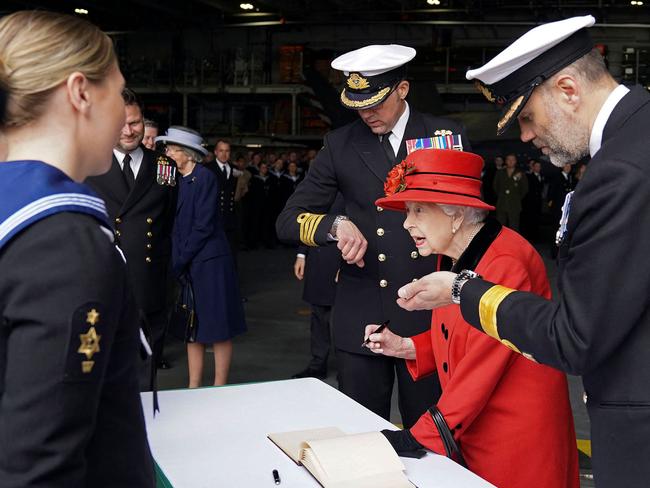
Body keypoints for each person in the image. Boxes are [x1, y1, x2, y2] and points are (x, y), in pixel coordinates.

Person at [397, 15, 650, 487]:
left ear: (568, 89)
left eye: (528, 117)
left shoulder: (620, 171)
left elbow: (575, 338)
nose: (527, 137)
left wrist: (462, 289)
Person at [276, 44, 470, 428]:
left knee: (429, 436)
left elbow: (470, 224)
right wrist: (334, 226)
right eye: (358, 104)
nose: (366, 113)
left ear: (402, 89)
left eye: (376, 102)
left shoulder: (443, 136)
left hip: (427, 313)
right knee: (363, 434)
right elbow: (288, 220)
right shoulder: (340, 144)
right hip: (362, 309)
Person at [0, 10, 154, 486]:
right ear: (81, 92)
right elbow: (40, 465)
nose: (121, 117)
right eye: (117, 90)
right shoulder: (64, 242)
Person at [364, 148, 578, 488]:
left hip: (512, 438)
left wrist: (423, 434)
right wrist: (408, 347)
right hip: (478, 426)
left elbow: (483, 364)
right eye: (408, 211)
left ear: (456, 215)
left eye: (418, 210)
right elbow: (462, 337)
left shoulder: (504, 261)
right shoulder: (456, 253)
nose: (406, 222)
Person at [86, 88, 177, 378]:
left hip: (149, 282)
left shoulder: (164, 167)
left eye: (135, 123)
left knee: (144, 373)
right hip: (101, 283)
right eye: (121, 123)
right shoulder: (88, 164)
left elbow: (169, 224)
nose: (128, 131)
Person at [156, 126, 246, 388]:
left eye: (172, 149)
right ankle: (193, 386)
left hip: (210, 263)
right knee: (192, 327)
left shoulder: (205, 177)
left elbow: (203, 226)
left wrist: (179, 259)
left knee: (218, 326)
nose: (168, 153)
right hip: (189, 261)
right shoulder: (176, 180)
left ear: (187, 154)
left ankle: (219, 386)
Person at [493, 153, 528, 231]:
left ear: (515, 161)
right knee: (500, 227)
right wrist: (502, 195)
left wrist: (516, 197)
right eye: (509, 160)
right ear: (505, 161)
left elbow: (524, 189)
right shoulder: (500, 172)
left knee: (514, 227)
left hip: (515, 204)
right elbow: (495, 187)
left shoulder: (520, 174)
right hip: (501, 203)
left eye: (513, 160)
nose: (511, 161)